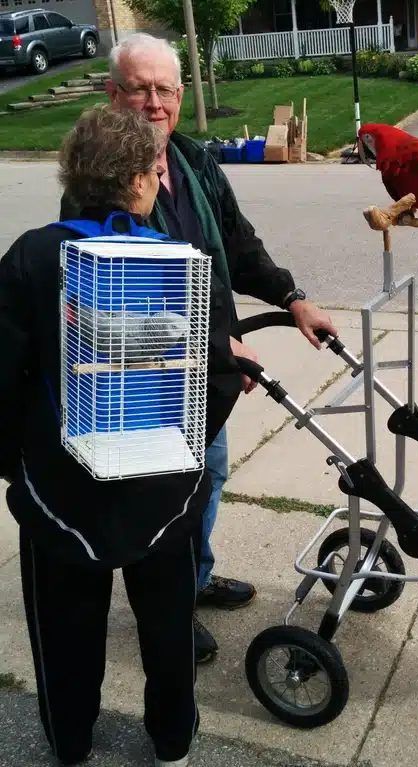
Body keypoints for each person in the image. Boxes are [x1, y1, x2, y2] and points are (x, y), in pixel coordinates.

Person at [59, 32, 338, 665]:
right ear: (113, 93)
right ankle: (166, 610)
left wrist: (292, 297)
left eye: (164, 89)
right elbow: (114, 306)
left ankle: (193, 577)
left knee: (207, 481)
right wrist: (219, 349)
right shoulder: (97, 184)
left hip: (209, 378)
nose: (152, 103)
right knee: (160, 497)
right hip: (146, 385)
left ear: (180, 97)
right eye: (138, 88)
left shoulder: (192, 162)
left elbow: (237, 246)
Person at [0, 104, 244, 766]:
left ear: (73, 177)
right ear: (141, 181)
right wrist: (187, 447)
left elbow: (1, 376)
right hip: (165, 491)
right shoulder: (184, 262)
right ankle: (171, 743)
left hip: (60, 492)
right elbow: (220, 376)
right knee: (168, 628)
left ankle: (71, 744)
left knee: (65, 632)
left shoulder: (30, 257)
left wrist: (17, 464)